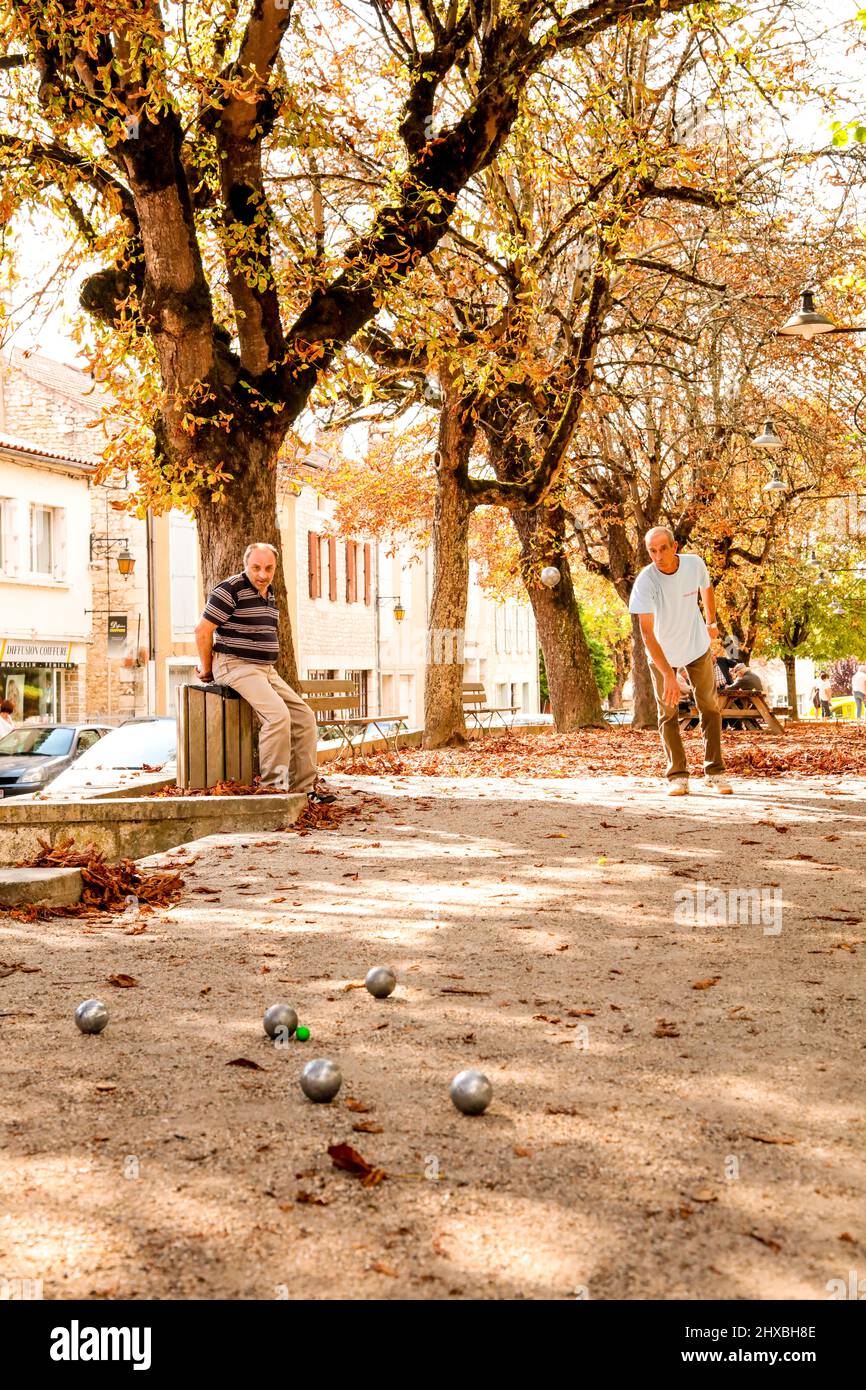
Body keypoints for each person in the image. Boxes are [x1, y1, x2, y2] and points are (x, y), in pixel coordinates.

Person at [194, 543, 335, 802]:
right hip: (235, 664)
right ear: (246, 565)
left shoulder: (269, 592)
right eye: (256, 567)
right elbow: (202, 631)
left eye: (268, 568)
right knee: (277, 716)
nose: (262, 574)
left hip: (264, 669)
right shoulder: (230, 590)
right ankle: (274, 790)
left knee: (304, 717)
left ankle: (305, 790)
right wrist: (207, 669)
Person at [629, 526, 731, 796]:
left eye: (663, 548)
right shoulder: (646, 580)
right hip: (662, 653)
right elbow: (647, 634)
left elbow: (706, 589)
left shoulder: (694, 564)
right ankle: (677, 775)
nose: (658, 555)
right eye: (652, 550)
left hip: (696, 645)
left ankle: (715, 772)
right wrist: (669, 675)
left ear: (674, 547)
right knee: (669, 712)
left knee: (709, 706)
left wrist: (711, 621)